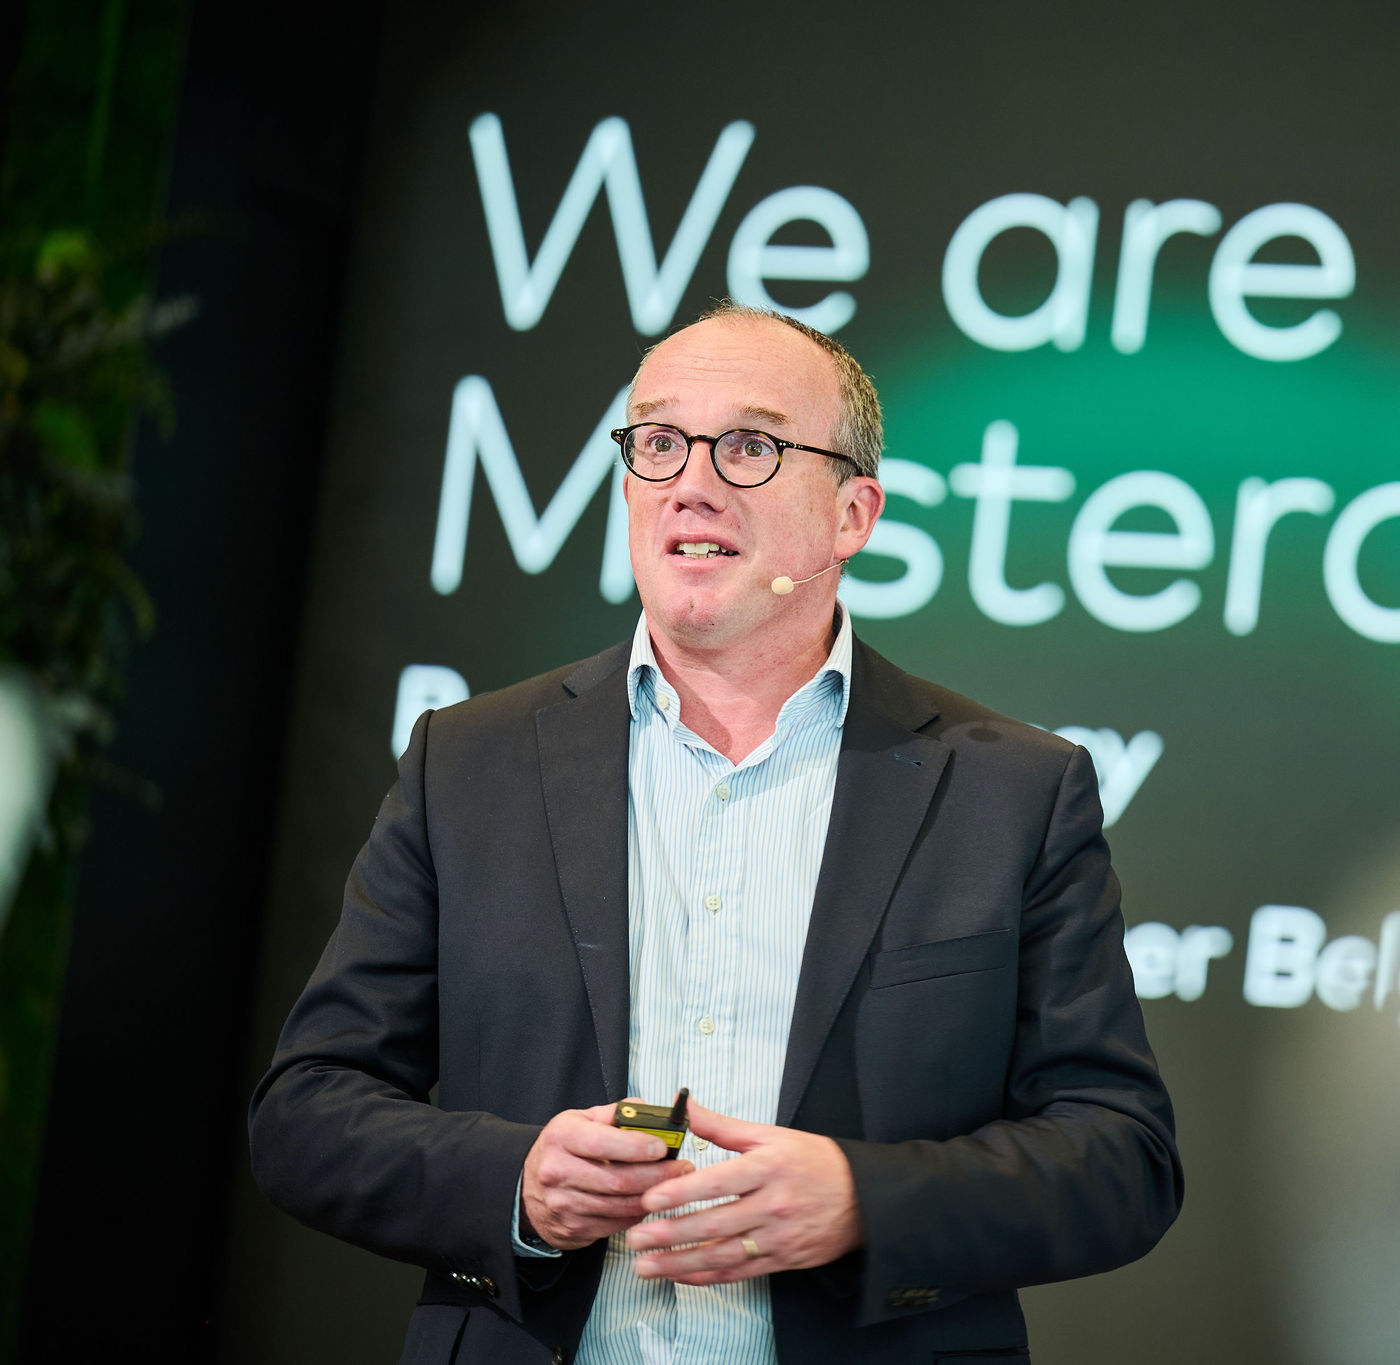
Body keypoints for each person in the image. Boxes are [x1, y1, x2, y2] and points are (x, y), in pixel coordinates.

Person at [249, 304, 1182, 1365]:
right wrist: (515, 1185)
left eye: (749, 446)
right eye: (658, 442)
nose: (690, 483)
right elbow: (306, 1114)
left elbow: (1122, 1157)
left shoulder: (1010, 790)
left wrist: (865, 1201)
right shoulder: (466, 762)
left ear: (851, 515)